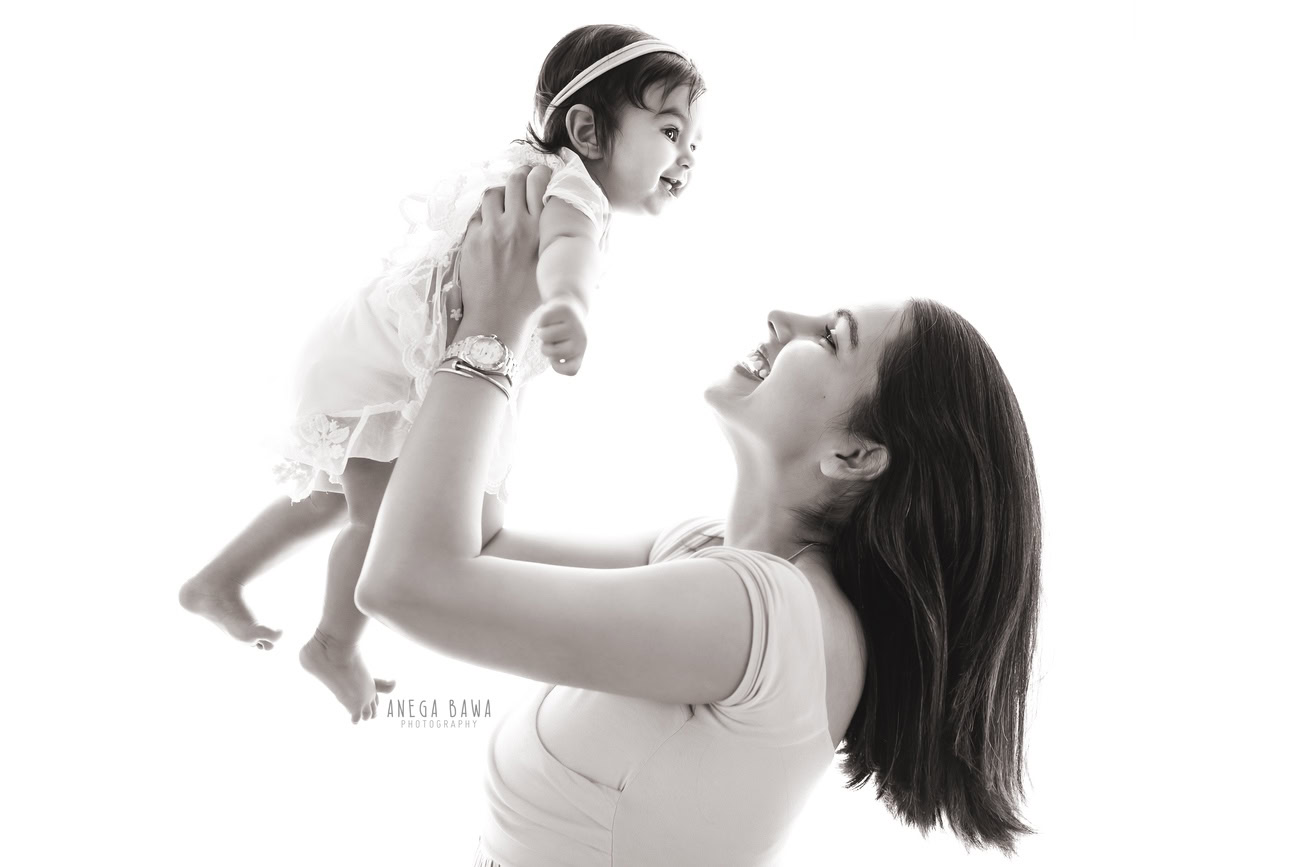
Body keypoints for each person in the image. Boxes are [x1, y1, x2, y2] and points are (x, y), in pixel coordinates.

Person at [355, 166, 1042, 863]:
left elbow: (407, 584)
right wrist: (511, 320)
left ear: (857, 454)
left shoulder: (761, 614)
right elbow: (478, 540)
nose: (782, 317)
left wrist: (492, 329)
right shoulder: (715, 559)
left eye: (831, 336)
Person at [179, 24, 706, 723]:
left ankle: (218, 579)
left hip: (373, 348)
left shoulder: (530, 166)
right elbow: (568, 254)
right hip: (397, 367)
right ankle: (333, 643)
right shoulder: (571, 191)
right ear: (587, 128)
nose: (689, 157)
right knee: (384, 515)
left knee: (338, 491)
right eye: (672, 131)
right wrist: (570, 305)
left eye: (696, 143)